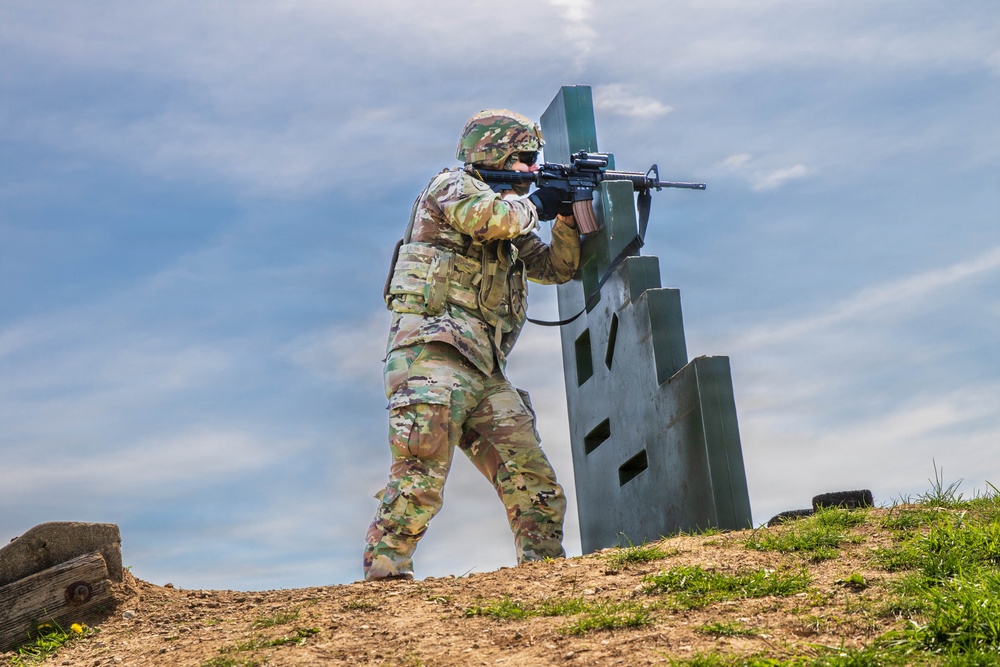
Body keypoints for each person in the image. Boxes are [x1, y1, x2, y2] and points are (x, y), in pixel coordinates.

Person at [364, 109, 582, 581]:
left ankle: (544, 582)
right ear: (492, 151)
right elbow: (492, 220)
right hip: (432, 357)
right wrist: (541, 202)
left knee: (535, 482)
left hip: (483, 368)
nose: (529, 169)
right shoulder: (453, 187)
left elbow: (555, 268)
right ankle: (383, 583)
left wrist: (566, 215)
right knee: (420, 474)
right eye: (523, 158)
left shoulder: (512, 213)